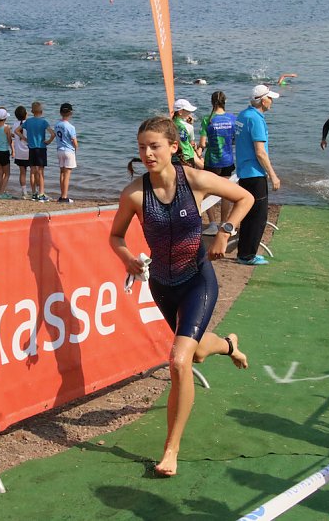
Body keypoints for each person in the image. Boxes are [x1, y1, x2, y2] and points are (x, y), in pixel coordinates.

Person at [109, 116, 253, 477]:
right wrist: (127, 258)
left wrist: (225, 231)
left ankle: (170, 450)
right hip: (161, 284)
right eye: (142, 146)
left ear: (174, 147)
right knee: (198, 351)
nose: (147, 153)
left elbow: (245, 197)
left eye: (155, 145)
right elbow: (116, 237)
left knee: (178, 360)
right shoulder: (133, 194)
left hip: (197, 279)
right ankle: (229, 345)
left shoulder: (195, 180)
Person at [234, 84, 281, 266]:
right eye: (270, 99)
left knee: (248, 213)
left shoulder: (243, 115)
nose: (272, 102)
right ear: (263, 100)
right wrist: (273, 175)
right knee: (258, 216)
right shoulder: (256, 119)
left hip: (245, 172)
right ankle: (247, 255)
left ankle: (244, 252)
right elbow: (260, 152)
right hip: (255, 173)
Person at [199, 91, 238, 235]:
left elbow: (202, 143)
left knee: (208, 192)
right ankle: (224, 223)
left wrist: (210, 144)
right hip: (227, 160)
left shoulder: (207, 119)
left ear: (212, 102)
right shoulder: (233, 119)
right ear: (225, 101)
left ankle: (212, 224)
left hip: (212, 161)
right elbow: (235, 140)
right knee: (226, 193)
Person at [18, 101, 55, 202]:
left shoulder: (28, 121)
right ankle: (41, 193)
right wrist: (48, 142)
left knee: (33, 171)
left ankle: (34, 193)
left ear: (32, 111)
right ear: (41, 112)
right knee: (41, 171)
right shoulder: (44, 122)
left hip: (31, 148)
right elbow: (52, 134)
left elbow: (17, 131)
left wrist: (24, 138)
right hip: (41, 148)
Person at [53, 103, 78, 203]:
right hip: (68, 151)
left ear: (60, 112)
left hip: (60, 150)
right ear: (71, 113)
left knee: (62, 173)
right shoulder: (71, 127)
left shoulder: (57, 125)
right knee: (67, 174)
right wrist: (76, 148)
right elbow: (74, 142)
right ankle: (64, 196)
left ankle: (61, 195)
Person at [172, 99, 204, 168]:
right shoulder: (188, 127)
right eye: (188, 111)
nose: (190, 113)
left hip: (173, 157)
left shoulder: (169, 124)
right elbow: (192, 143)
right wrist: (191, 124)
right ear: (180, 112)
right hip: (187, 157)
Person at [12, 105, 33, 199]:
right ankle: (34, 191)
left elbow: (13, 135)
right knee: (33, 172)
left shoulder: (15, 124)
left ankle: (24, 192)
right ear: (26, 114)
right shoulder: (29, 123)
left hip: (19, 153)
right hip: (29, 152)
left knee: (22, 172)